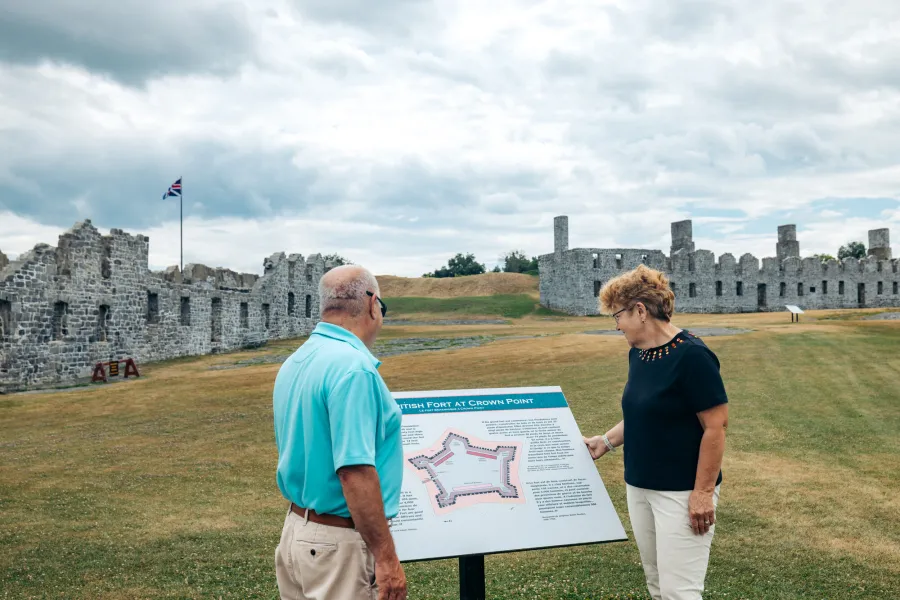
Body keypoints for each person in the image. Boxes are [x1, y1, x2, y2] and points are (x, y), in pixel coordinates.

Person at [584, 265, 729, 600]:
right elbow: (642, 414)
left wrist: (703, 493)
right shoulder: (639, 355)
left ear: (640, 310)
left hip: (679, 494)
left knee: (680, 592)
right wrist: (605, 442)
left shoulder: (693, 356)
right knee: (657, 585)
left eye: (617, 315)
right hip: (639, 486)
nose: (616, 325)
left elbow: (715, 427)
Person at [272, 265, 407, 600]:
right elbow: (354, 471)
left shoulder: (296, 361)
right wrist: (386, 558)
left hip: (297, 532)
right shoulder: (354, 369)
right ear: (373, 304)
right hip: (339, 545)